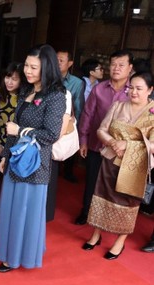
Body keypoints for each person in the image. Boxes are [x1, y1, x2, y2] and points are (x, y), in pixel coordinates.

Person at [0, 44, 66, 272]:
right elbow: (14, 126)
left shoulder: (56, 96)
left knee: (25, 210)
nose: (28, 70)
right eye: (27, 65)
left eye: (34, 67)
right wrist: (5, 154)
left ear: (47, 68)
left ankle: (16, 257)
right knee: (10, 208)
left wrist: (22, 132)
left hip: (35, 163)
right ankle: (8, 249)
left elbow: (52, 134)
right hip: (16, 158)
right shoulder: (26, 91)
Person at [82, 71, 154, 259]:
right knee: (102, 196)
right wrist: (113, 142)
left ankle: (119, 241)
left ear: (150, 90)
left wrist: (128, 144)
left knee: (127, 203)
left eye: (139, 89)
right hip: (111, 160)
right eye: (131, 88)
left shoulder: (153, 114)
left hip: (134, 167)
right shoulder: (118, 105)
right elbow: (101, 130)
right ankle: (96, 234)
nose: (134, 92)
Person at [75, 49, 133, 225]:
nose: (116, 68)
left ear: (130, 67)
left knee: (115, 184)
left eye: (121, 65)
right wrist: (83, 139)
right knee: (92, 180)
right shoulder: (99, 88)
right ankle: (86, 211)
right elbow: (87, 114)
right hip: (96, 144)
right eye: (113, 64)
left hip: (121, 149)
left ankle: (108, 218)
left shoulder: (134, 91)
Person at [0, 62, 25, 226]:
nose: (10, 82)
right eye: (8, 77)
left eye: (14, 79)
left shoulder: (25, 97)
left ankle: (8, 212)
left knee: (13, 180)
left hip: (17, 145)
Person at [56, 49, 85, 184]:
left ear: (70, 63)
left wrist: (76, 125)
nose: (57, 62)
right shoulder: (47, 77)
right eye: (55, 59)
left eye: (61, 60)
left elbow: (78, 105)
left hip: (66, 119)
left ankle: (67, 171)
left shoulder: (77, 82)